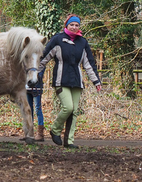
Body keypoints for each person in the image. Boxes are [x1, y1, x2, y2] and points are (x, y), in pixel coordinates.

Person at [39, 14, 102, 148]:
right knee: (68, 107)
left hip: (77, 82)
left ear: (79, 27)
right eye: (71, 25)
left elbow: (88, 64)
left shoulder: (83, 42)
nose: (74, 27)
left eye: (76, 25)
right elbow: (43, 58)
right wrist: (32, 74)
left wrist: (96, 81)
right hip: (61, 80)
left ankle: (69, 141)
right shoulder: (58, 39)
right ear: (66, 26)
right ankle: (55, 130)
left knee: (74, 112)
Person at [26, 71, 45, 141]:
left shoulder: (40, 63)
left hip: (37, 88)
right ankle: (30, 132)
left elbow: (40, 74)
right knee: (29, 109)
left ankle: (40, 133)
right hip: (27, 88)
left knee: (38, 109)